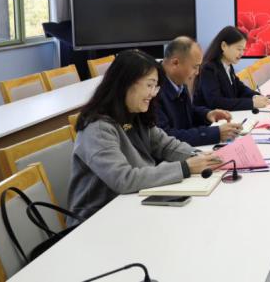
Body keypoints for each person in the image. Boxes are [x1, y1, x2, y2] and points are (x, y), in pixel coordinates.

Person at [68, 50, 222, 225]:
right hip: (95, 220)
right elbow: (123, 179)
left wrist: (201, 156)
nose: (153, 93)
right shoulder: (97, 128)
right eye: (149, 85)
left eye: (156, 87)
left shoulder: (135, 114)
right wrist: (185, 167)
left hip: (132, 205)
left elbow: (166, 145)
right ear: (125, 84)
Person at [156, 36, 242, 146]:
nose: (197, 72)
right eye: (195, 67)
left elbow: (188, 112)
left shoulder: (179, 79)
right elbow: (166, 137)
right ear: (175, 63)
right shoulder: (153, 89)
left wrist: (207, 114)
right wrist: (216, 133)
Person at [194, 26, 270, 111]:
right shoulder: (209, 69)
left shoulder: (228, 65)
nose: (242, 53)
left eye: (243, 50)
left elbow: (240, 88)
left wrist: (256, 96)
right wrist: (252, 103)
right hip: (210, 118)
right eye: (239, 49)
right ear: (224, 46)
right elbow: (216, 102)